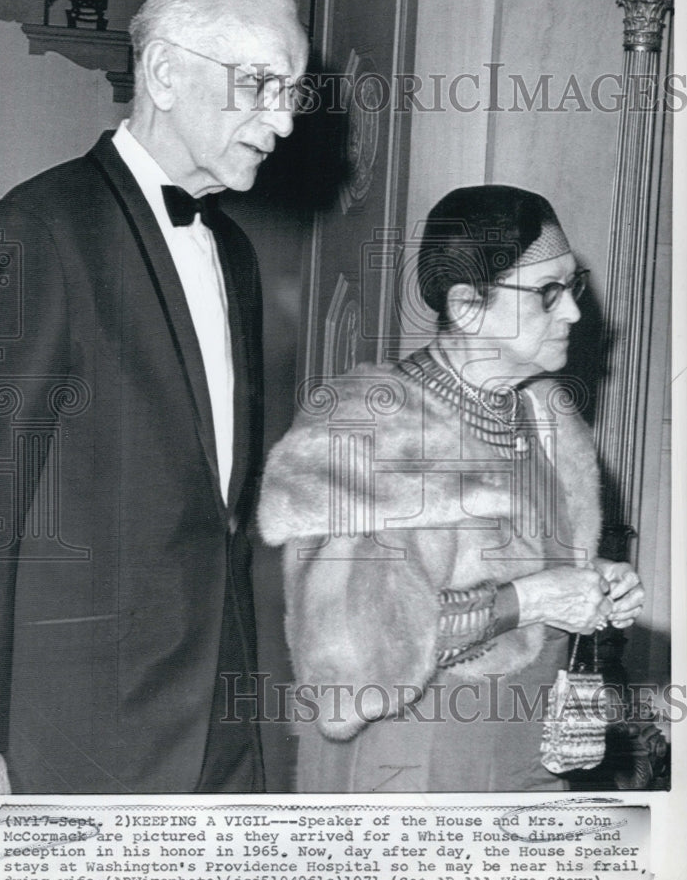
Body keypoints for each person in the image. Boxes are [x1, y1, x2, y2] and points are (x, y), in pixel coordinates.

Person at [0, 0, 309, 793]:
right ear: (163, 73)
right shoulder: (39, 229)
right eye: (261, 85)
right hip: (82, 729)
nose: (284, 122)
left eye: (292, 92)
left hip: (221, 719)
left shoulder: (232, 250)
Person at [257, 184, 645, 792]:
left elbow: (523, 564)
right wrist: (535, 598)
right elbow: (352, 665)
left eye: (571, 287)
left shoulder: (546, 418)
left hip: (535, 752)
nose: (572, 311)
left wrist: (591, 580)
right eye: (547, 293)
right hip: (415, 766)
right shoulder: (366, 430)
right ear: (467, 305)